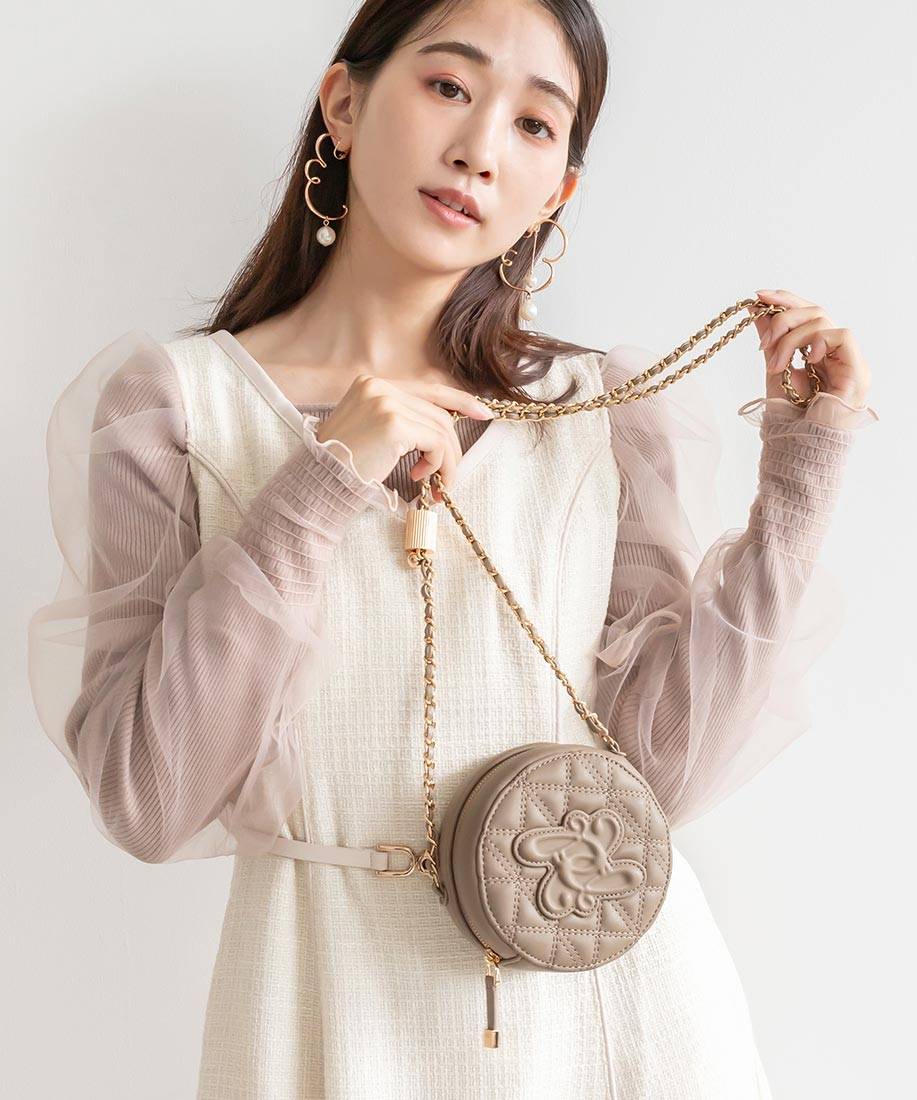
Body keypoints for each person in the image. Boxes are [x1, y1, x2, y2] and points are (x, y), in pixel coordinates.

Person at [27, 1, 877, 1097]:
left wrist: (801, 472)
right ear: (343, 103)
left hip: (615, 1013)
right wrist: (323, 480)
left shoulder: (601, 410)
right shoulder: (179, 406)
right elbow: (150, 797)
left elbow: (661, 772)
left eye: (534, 124)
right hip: (324, 1011)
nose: (479, 147)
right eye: (448, 86)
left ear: (556, 191)